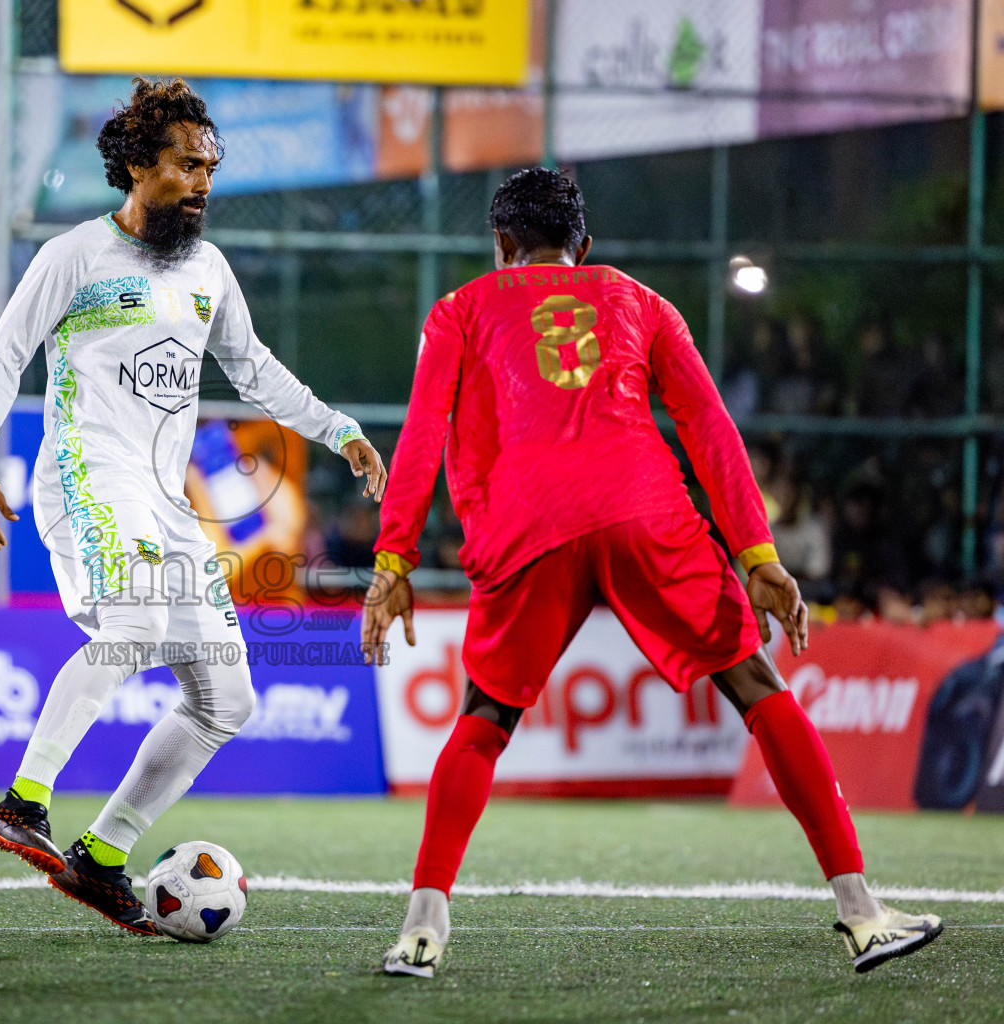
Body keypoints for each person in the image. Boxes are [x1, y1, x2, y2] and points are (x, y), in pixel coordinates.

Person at [361, 167, 940, 978]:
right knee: (758, 687)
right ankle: (862, 912)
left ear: (500, 245)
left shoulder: (458, 311)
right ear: (585, 246)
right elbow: (707, 421)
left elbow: (422, 433)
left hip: (529, 528)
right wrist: (757, 554)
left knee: (484, 717)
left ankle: (423, 926)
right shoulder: (639, 300)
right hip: (645, 513)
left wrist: (394, 559)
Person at [0, 77, 385, 935]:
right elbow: (3, 357)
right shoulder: (75, 256)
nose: (202, 183)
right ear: (136, 166)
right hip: (87, 477)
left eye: (210, 167)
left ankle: (103, 856)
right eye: (187, 166)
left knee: (228, 701)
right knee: (137, 626)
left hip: (165, 503)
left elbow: (254, 369)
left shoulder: (208, 269)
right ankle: (24, 802)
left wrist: (339, 430)